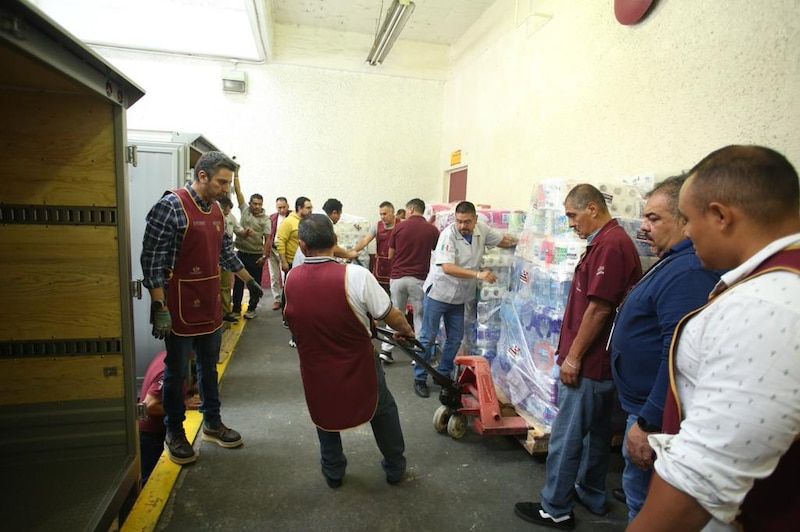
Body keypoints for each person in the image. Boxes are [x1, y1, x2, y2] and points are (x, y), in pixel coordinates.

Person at [629, 145, 800, 532]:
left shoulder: (766, 306)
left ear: (720, 216)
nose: (686, 232)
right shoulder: (768, 284)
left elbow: (699, 481)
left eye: (687, 219)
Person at [514, 184, 641, 530]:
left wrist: (572, 359)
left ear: (593, 209)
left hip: (589, 365)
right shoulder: (605, 243)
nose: (570, 223)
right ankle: (592, 494)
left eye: (572, 215)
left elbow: (599, 310)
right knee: (597, 435)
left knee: (568, 436)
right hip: (600, 365)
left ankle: (555, 508)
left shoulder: (611, 246)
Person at [608, 175, 721, 521]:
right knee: (637, 491)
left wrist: (648, 421)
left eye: (653, 218)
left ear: (685, 220)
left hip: (652, 417)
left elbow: (675, 352)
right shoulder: (674, 260)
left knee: (644, 506)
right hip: (642, 407)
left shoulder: (688, 270)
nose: (643, 227)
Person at [141, 150, 264, 465]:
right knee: (176, 371)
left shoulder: (219, 213)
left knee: (208, 367)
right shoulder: (171, 207)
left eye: (228, 183)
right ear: (202, 176)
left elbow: (226, 255)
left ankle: (212, 422)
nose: (226, 189)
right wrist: (159, 305)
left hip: (209, 304)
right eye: (222, 182)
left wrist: (249, 281)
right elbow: (151, 261)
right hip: (178, 305)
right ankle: (174, 432)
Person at [283, 214, 415, 488]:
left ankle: (333, 471)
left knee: (324, 413)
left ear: (302, 246)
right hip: (358, 364)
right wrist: (407, 331)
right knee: (383, 410)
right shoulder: (356, 275)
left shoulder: (292, 278)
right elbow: (389, 314)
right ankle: (395, 467)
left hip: (315, 366)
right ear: (334, 241)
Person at [414, 201, 517, 398]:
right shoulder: (448, 235)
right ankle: (419, 378)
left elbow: (502, 240)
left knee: (455, 338)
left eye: (467, 221)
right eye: (459, 221)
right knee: (427, 337)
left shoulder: (482, 230)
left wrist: (526, 243)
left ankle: (442, 374)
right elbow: (447, 267)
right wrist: (478, 274)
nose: (463, 226)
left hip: (460, 296)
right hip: (439, 293)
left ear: (475, 219)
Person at [377, 198, 440, 364]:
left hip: (397, 277)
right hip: (419, 279)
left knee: (395, 314)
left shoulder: (399, 227)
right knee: (419, 317)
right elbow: (437, 253)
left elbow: (390, 255)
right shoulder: (431, 230)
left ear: (411, 209)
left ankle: (386, 351)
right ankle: (418, 355)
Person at [138, 350, 200, 485]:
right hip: (151, 435)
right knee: (151, 481)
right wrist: (183, 405)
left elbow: (167, 393)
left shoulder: (169, 356)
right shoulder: (167, 370)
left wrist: (189, 390)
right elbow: (149, 406)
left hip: (156, 431)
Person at [231, 170, 271, 319]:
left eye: (260, 204)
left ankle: (251, 309)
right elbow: (238, 191)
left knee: (254, 284)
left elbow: (268, 239)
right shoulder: (244, 211)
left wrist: (264, 257)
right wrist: (236, 174)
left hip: (256, 256)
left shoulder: (266, 220)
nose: (257, 206)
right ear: (249, 203)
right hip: (241, 253)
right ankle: (235, 310)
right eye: (254, 204)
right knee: (239, 284)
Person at [351, 201, 397, 292]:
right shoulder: (377, 226)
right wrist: (352, 252)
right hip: (381, 266)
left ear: (393, 213)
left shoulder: (401, 225)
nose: (382, 217)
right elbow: (365, 240)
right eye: (381, 214)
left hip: (396, 264)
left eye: (385, 214)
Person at [218, 195, 242, 322]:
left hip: (227, 255)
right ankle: (215, 313)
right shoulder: (214, 218)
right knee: (214, 286)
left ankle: (226, 312)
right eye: (227, 209)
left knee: (226, 285)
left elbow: (238, 230)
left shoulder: (230, 217)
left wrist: (245, 233)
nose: (228, 211)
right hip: (215, 258)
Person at [276, 196, 313, 274]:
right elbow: (280, 242)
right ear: (299, 208)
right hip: (291, 262)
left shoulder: (308, 221)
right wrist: (283, 262)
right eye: (308, 208)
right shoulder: (288, 222)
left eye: (311, 208)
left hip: (306, 261)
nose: (311, 210)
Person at [267, 197, 291, 310]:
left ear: (288, 206)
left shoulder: (292, 217)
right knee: (274, 276)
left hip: (285, 251)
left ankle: (286, 299)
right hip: (272, 249)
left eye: (283, 207)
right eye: (279, 207)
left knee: (285, 276)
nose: (281, 210)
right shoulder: (272, 218)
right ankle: (277, 299)